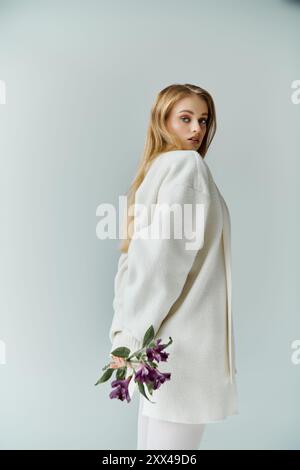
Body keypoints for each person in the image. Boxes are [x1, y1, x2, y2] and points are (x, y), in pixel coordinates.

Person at [109, 83, 239, 450]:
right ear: (162, 120)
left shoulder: (155, 171)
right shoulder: (186, 167)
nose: (197, 129)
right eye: (186, 119)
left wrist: (126, 334)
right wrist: (130, 338)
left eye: (203, 120)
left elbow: (135, 262)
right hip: (181, 350)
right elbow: (160, 263)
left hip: (153, 349)